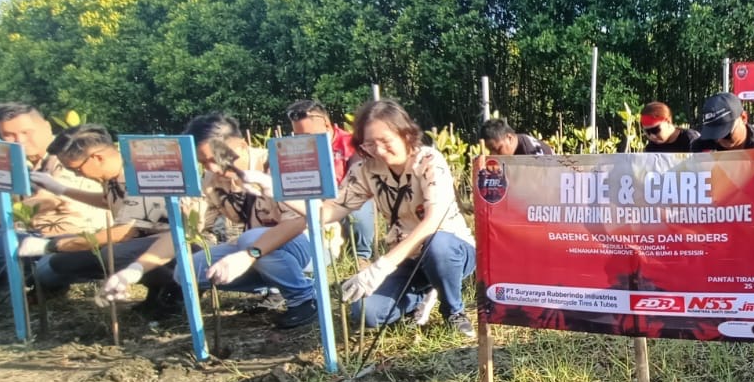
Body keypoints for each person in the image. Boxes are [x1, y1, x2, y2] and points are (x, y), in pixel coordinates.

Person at [207, 99, 477, 337]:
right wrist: (274, 190)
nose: (379, 151)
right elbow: (327, 212)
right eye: (370, 144)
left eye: (386, 141)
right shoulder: (365, 170)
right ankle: (420, 293)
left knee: (437, 246)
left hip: (450, 250)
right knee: (366, 314)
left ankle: (453, 309)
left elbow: (431, 222)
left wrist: (381, 266)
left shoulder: (429, 161)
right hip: (407, 258)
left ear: (405, 133)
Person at [102, 113, 320, 329]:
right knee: (186, 271)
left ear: (243, 146)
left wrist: (247, 255)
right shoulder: (211, 181)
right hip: (258, 249)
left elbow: (299, 221)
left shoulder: (277, 163)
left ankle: (304, 298)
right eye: (204, 162)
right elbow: (184, 232)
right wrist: (135, 269)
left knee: (249, 238)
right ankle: (277, 284)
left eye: (216, 159)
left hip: (311, 245)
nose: (213, 169)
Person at [24, 124, 180, 313]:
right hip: (143, 243)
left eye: (77, 169)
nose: (76, 174)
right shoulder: (113, 177)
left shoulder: (139, 174)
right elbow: (111, 201)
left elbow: (123, 232)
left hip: (173, 247)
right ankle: (156, 291)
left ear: (97, 158)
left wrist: (53, 245)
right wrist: (61, 189)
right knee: (63, 261)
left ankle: (173, 290)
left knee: (113, 254)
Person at [0, 103, 107, 281]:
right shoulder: (23, 163)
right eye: (8, 135)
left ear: (47, 127)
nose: (19, 141)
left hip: (74, 240)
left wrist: (6, 214)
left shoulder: (67, 154)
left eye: (26, 132)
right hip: (34, 238)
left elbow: (47, 200)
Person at [286, 99, 375, 264]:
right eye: (298, 136)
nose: (303, 141)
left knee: (358, 214)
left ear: (327, 125)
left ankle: (361, 256)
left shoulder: (350, 143)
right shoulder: (295, 149)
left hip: (347, 196)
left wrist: (331, 200)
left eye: (307, 136)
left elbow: (356, 182)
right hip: (313, 199)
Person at [689, 93, 754, 151]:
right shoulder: (701, 147)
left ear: (744, 118)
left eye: (725, 134)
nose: (719, 139)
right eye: (713, 135)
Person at [479, 118, 553, 157]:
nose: (493, 155)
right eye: (490, 151)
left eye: (497, 149)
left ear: (509, 138)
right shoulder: (520, 140)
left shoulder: (529, 154)